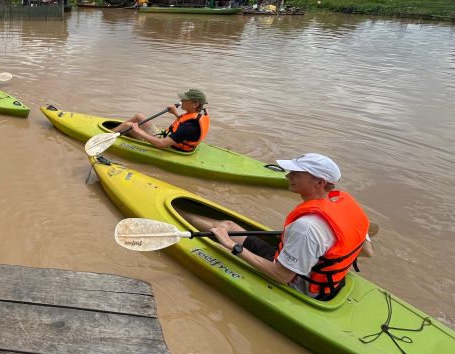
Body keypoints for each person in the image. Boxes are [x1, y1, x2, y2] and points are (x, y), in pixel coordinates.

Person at [199, 153, 372, 300]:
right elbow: (368, 252)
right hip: (332, 281)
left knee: (228, 227)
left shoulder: (307, 227)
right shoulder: (348, 206)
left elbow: (282, 276)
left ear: (319, 182)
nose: (288, 176)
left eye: (296, 174)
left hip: (304, 286)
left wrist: (232, 246)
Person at [111, 88, 210, 152]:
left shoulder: (189, 127)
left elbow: (161, 144)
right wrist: (175, 113)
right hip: (166, 138)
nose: (181, 101)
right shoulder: (196, 115)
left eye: (184, 100)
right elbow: (184, 123)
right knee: (139, 116)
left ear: (195, 104)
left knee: (128, 126)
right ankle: (112, 133)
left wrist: (138, 131)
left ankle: (108, 135)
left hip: (166, 146)